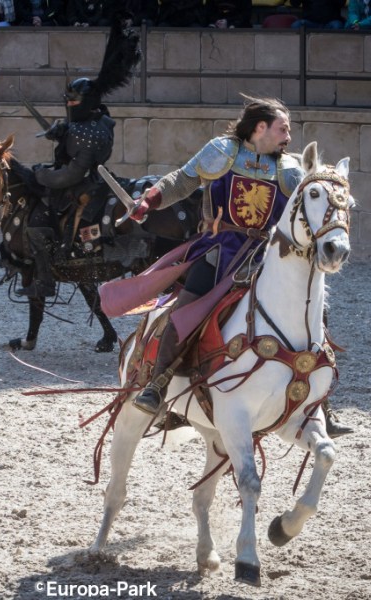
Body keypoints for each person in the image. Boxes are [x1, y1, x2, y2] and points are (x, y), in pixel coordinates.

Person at [100, 95, 352, 437]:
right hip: (219, 249)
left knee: (313, 315)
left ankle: (317, 404)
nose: (288, 137)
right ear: (260, 127)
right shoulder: (223, 151)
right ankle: (157, 388)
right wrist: (149, 201)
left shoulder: (290, 169)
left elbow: (306, 209)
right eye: (283, 129)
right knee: (186, 313)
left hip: (265, 255)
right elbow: (181, 180)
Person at [15, 21, 140, 298]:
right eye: (68, 102)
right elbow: (75, 137)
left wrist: (38, 174)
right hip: (91, 178)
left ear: (86, 101)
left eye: (73, 102)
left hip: (82, 183)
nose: (69, 106)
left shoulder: (85, 132)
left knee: (37, 225)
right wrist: (63, 132)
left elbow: (70, 174)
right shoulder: (96, 123)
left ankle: (46, 280)